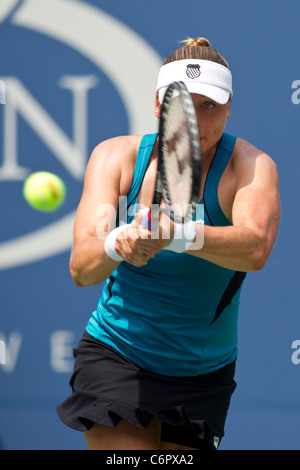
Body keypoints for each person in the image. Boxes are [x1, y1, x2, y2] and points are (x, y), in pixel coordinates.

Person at [57, 37, 280, 450]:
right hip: (116, 355)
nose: (195, 120)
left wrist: (177, 235)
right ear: (159, 106)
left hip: (203, 373)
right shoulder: (116, 158)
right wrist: (118, 242)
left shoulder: (251, 168)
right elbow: (81, 267)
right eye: (182, 105)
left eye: (209, 105)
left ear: (230, 107)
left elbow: (255, 248)